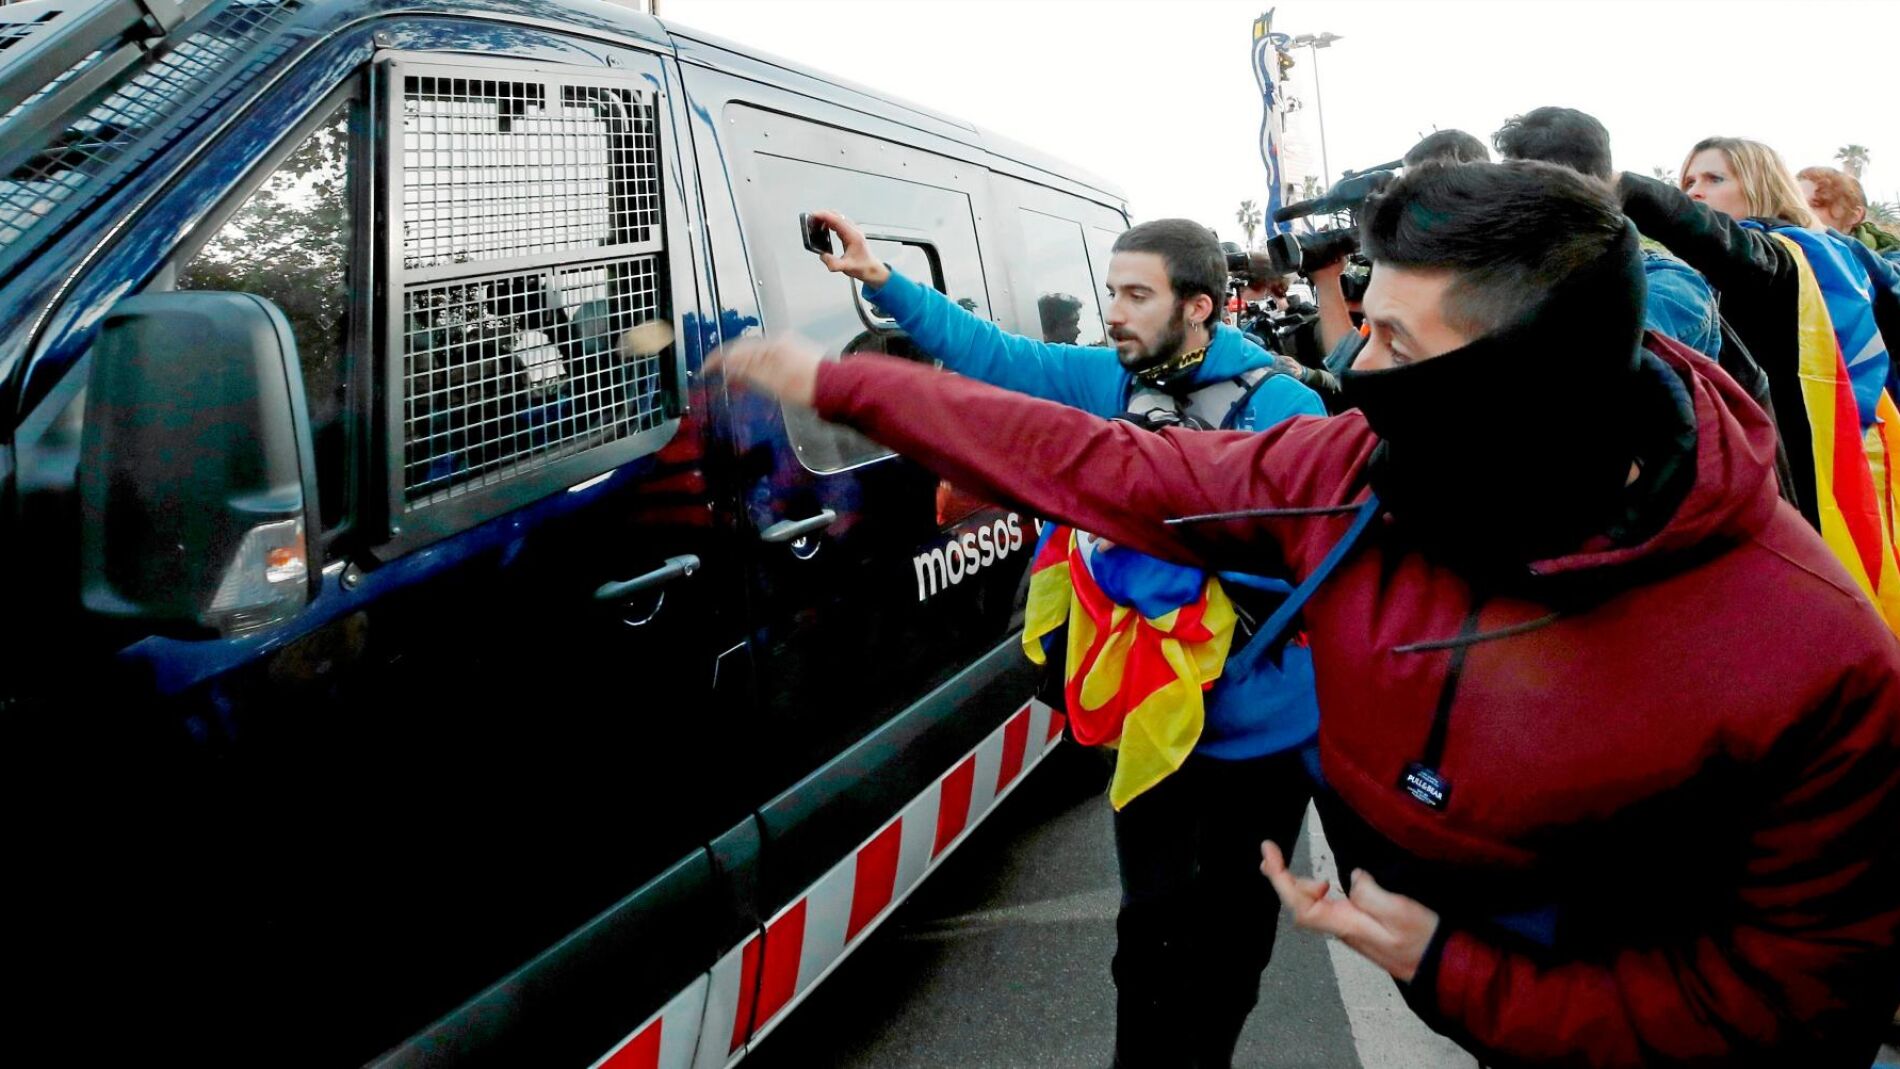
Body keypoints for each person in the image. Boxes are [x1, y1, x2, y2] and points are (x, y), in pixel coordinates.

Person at [714, 161, 1900, 1067]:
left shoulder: (1810, 653)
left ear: (1520, 376)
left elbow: (1785, 996)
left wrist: (1450, 967)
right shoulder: (1345, 464)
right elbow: (1114, 468)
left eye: (1391, 337)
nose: (1355, 367)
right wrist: (848, 384)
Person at [808, 210, 1323, 1068]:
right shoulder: (1108, 381)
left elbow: (1319, 576)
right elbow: (994, 356)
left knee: (1227, 953)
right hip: (1146, 728)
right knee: (1147, 938)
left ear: (1200, 307)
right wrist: (881, 282)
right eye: (1109, 291)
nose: (1113, 311)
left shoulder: (1284, 406)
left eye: (1135, 294)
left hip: (1257, 738)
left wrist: (1183, 558)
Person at [1619, 138, 1900, 627]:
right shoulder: (1840, 253)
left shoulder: (1783, 254)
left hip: (1809, 464)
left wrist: (1626, 190)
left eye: (1714, 179)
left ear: (1761, 183)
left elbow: (1727, 244)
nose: (1696, 192)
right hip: (1845, 451)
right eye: (1687, 182)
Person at [1799, 165, 1900, 259]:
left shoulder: (1890, 256)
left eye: (1816, 204)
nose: (1801, 211)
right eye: (1797, 203)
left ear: (1854, 216)